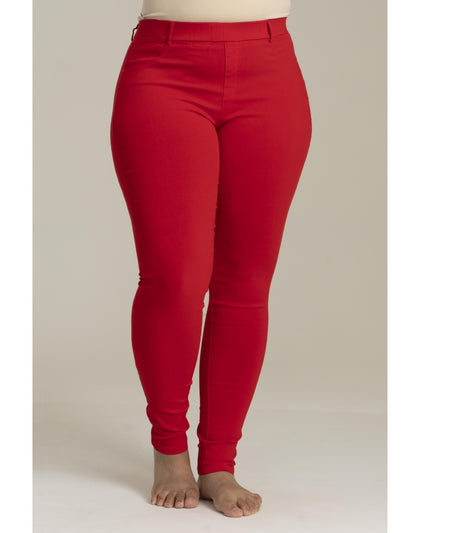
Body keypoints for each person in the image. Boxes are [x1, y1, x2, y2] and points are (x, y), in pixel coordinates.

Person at [109, 0, 312, 518]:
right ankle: (169, 450)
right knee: (175, 279)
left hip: (269, 65)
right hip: (165, 67)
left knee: (246, 281)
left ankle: (220, 462)